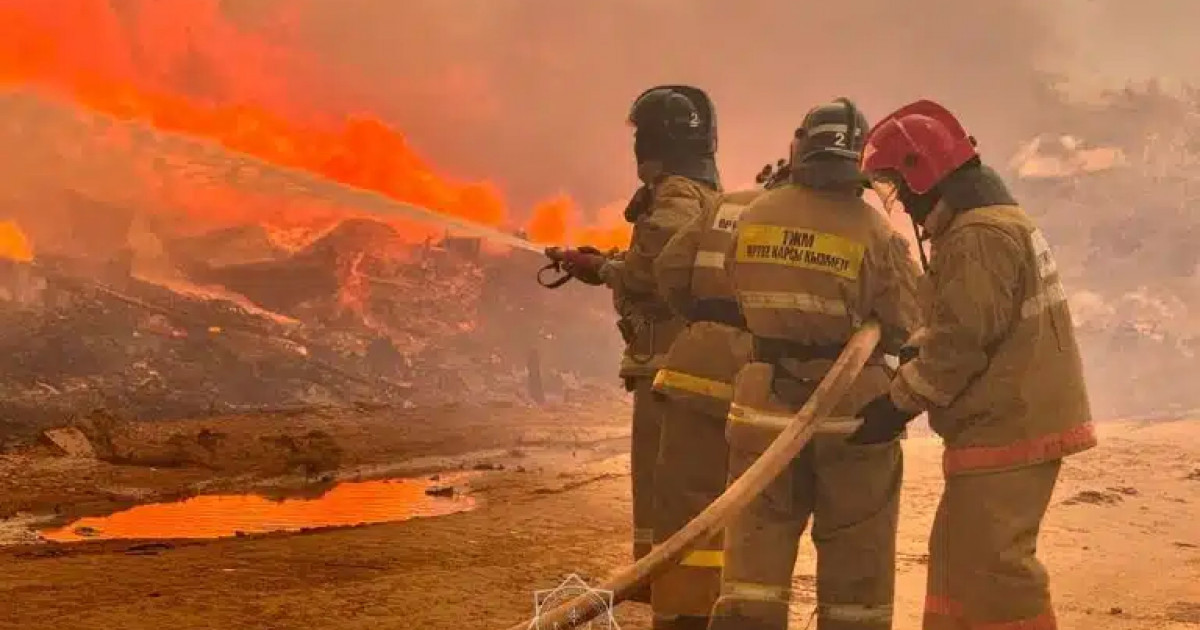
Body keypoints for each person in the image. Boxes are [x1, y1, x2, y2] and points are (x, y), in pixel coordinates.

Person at [851, 99, 1097, 630]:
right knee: (959, 571)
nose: (899, 203)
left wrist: (897, 402)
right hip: (1006, 420)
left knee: (996, 571)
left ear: (924, 174)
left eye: (895, 185)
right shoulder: (989, 225)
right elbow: (964, 321)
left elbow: (959, 341)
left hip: (1011, 426)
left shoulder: (978, 236)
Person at [709, 98, 923, 630]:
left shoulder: (754, 215)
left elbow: (734, 292)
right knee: (857, 559)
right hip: (852, 414)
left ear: (800, 150)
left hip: (764, 406)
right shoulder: (875, 233)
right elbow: (908, 320)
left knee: (753, 561)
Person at [555, 85, 722, 609]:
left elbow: (654, 270)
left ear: (655, 137)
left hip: (666, 367)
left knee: (661, 489)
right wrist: (601, 263)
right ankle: (670, 584)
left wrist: (604, 269)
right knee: (676, 489)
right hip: (677, 363)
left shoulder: (675, 194)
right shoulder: (696, 191)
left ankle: (666, 587)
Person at [646, 161, 792, 628]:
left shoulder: (726, 204)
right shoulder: (821, 219)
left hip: (695, 366)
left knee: (686, 507)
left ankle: (679, 615)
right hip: (763, 376)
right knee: (754, 513)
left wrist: (704, 319)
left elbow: (669, 267)